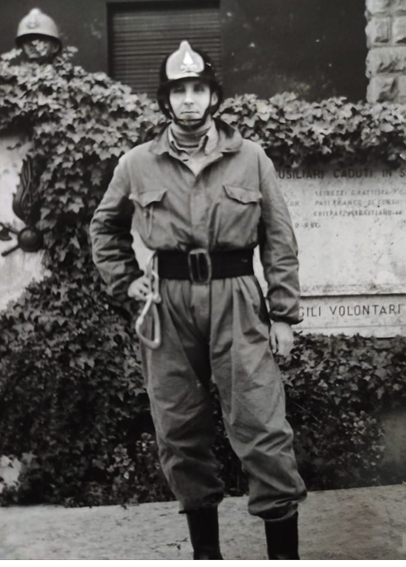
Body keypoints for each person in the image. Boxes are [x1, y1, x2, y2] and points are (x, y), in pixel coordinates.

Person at [90, 40, 307, 560]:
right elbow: (105, 228)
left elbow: (278, 237)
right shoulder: (138, 163)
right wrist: (127, 281)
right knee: (179, 428)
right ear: (166, 100)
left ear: (213, 97)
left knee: (261, 424)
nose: (189, 99)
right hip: (168, 305)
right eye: (179, 90)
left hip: (237, 300)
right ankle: (206, 554)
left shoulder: (250, 157)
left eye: (198, 89)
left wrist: (283, 314)